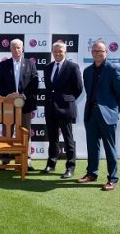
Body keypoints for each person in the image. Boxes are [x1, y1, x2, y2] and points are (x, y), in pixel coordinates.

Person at [77, 41, 120, 191]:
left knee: (110, 147)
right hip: (91, 114)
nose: (98, 53)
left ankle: (112, 179)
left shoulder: (114, 69)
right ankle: (92, 173)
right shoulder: (87, 71)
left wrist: (113, 111)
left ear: (106, 52)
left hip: (108, 116)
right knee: (92, 146)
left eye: (101, 51)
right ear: (91, 53)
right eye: (95, 51)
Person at [0, 38, 39, 170]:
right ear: (10, 50)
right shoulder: (4, 64)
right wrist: (9, 95)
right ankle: (6, 159)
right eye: (13, 47)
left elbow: (35, 83)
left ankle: (26, 160)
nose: (16, 50)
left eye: (18, 47)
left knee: (25, 132)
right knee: (7, 131)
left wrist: (23, 96)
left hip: (25, 105)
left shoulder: (30, 64)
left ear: (23, 48)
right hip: (8, 104)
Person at [41, 41, 83, 178]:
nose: (58, 53)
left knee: (68, 139)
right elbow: (49, 87)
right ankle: (51, 164)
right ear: (52, 52)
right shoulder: (47, 67)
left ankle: (70, 167)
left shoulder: (73, 67)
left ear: (65, 52)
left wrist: (67, 99)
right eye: (56, 51)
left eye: (61, 51)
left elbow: (78, 89)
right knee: (52, 138)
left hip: (66, 109)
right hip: (50, 108)